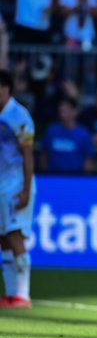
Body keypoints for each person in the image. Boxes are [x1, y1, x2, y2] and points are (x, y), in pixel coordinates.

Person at [0, 70, 36, 309]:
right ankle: (12, 294)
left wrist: (25, 188)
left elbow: (28, 155)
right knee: (3, 239)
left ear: (7, 89)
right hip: (2, 184)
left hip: (16, 184)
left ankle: (23, 295)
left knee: (15, 234)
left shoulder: (19, 115)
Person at [41, 97, 94, 173]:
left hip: (75, 178)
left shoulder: (83, 134)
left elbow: (88, 159)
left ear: (75, 111)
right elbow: (44, 154)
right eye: (61, 110)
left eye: (66, 110)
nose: (62, 113)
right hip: (53, 177)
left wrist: (84, 178)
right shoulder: (52, 131)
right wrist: (45, 174)